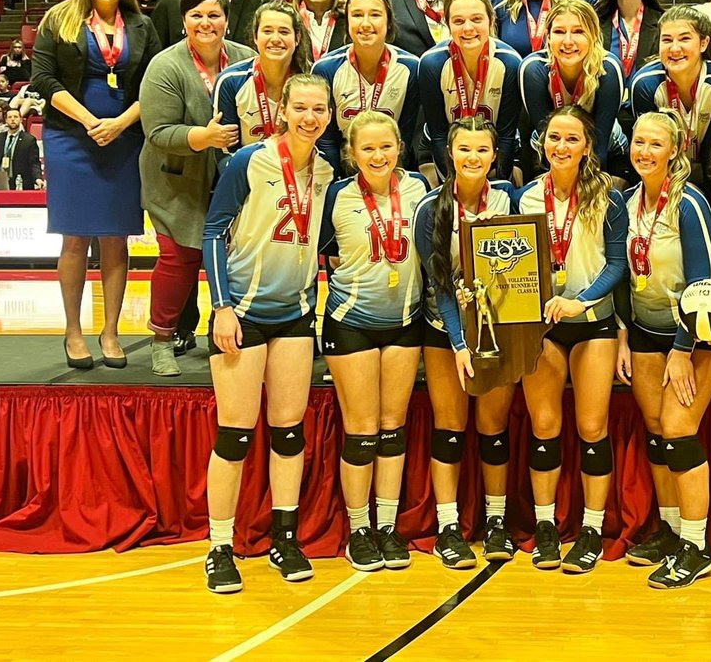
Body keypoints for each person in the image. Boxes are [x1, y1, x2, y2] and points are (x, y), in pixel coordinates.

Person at [201, 73, 335, 594]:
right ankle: (218, 546)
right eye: (300, 108)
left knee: (288, 430)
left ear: (329, 115)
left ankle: (285, 534)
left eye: (318, 110)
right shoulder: (247, 162)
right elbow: (214, 230)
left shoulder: (326, 171)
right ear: (284, 110)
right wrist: (221, 306)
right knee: (235, 432)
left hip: (298, 313)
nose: (309, 117)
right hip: (244, 312)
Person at [31, 0, 162, 369]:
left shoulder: (142, 25)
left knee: (116, 237)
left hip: (124, 138)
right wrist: (91, 121)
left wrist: (120, 123)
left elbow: (155, 84)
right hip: (70, 136)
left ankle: (110, 331)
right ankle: (72, 331)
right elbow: (43, 78)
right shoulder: (59, 19)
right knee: (74, 237)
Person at [614, 107, 711, 587]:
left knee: (679, 430)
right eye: (638, 142)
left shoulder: (690, 203)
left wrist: (683, 348)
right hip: (642, 331)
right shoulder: (626, 202)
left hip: (695, 335)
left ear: (675, 150)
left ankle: (698, 547)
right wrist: (622, 334)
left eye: (655, 143)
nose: (644, 151)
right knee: (658, 430)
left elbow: (704, 282)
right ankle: (673, 532)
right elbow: (620, 272)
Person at [516, 105, 628, 573]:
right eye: (553, 137)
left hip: (592, 322)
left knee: (592, 427)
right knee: (544, 425)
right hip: (542, 327)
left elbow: (617, 262)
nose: (560, 147)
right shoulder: (524, 199)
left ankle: (590, 530)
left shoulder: (609, 197)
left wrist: (582, 299)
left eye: (571, 139)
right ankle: (545, 526)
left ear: (588, 147)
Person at [319, 111, 429, 570]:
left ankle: (387, 526)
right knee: (362, 430)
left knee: (392, 427)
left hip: (406, 321)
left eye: (386, 146)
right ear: (351, 153)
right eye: (367, 148)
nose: (378, 155)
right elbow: (318, 254)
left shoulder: (419, 190)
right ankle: (358, 529)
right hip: (352, 321)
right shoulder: (338, 196)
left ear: (399, 147)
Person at [411, 116, 520, 567]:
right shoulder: (430, 209)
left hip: (498, 331)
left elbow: (523, 272)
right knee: (450, 428)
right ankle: (448, 526)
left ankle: (496, 522)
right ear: (449, 154)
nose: (473, 158)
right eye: (464, 150)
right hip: (444, 332)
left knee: (493, 429)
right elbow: (438, 286)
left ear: (495, 156)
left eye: (482, 150)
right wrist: (458, 342)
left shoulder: (510, 203)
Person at [139, 0, 255, 375]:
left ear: (226, 19)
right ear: (184, 19)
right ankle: (161, 340)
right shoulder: (165, 65)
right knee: (179, 258)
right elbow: (156, 132)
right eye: (196, 15)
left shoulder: (246, 58)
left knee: (237, 259)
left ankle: (224, 333)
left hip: (234, 181)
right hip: (176, 181)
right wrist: (202, 137)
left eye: (214, 15)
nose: (205, 23)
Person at [630, 5, 711, 192]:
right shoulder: (644, 84)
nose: (675, 49)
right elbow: (648, 152)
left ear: (703, 43)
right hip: (664, 179)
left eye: (684, 39)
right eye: (666, 40)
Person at [314, 0, 421, 176]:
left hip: (392, 168)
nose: (365, 24)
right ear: (346, 21)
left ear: (388, 21)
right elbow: (327, 140)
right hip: (341, 168)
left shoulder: (411, 67)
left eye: (375, 15)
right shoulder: (326, 69)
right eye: (356, 15)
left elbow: (406, 135)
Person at [419, 0, 521, 179]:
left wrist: (496, 184)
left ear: (491, 20)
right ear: (447, 24)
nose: (468, 28)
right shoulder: (431, 64)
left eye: (476, 19)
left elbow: (506, 137)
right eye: (458, 21)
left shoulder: (510, 63)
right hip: (444, 154)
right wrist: (454, 185)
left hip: (497, 153)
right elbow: (439, 135)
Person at [519, 0, 624, 170]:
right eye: (559, 32)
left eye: (578, 32)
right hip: (553, 148)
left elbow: (600, 147)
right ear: (548, 37)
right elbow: (546, 141)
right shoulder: (533, 69)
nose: (568, 41)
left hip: (604, 146)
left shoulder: (608, 69)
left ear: (593, 35)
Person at [214, 2, 312, 154]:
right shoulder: (230, 81)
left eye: (284, 32)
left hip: (300, 174)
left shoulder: (313, 80)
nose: (275, 39)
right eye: (267, 31)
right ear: (255, 37)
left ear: (297, 38)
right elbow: (225, 153)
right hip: (246, 172)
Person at [0, 108, 41, 189]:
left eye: (15, 117)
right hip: (1, 182)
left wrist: (38, 178)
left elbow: (34, 163)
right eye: (10, 117)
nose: (12, 119)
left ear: (21, 120)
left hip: (21, 182)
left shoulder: (29, 140)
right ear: (6, 120)